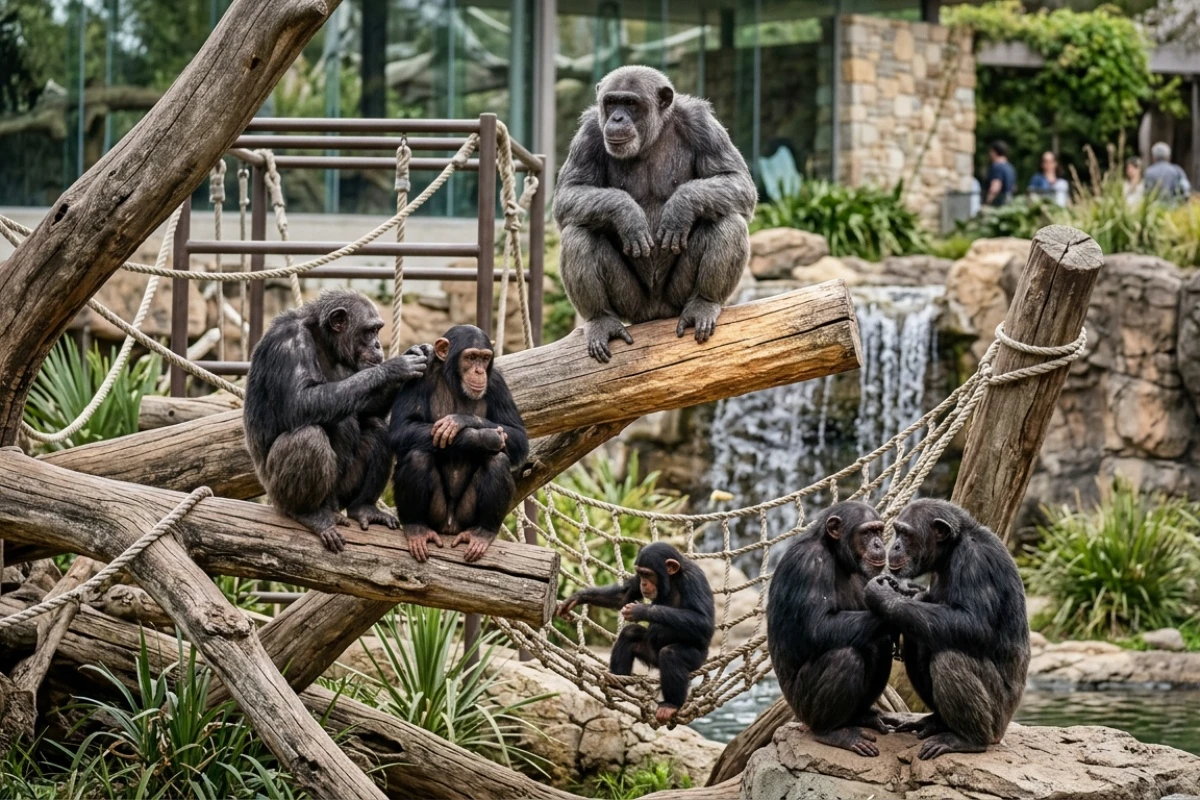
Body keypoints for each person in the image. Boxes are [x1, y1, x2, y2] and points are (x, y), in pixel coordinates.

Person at [985, 140, 1016, 207]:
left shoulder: (997, 166)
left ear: (994, 152)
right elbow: (1013, 187)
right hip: (1009, 202)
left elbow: (996, 185)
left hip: (998, 203)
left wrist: (987, 202)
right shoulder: (1010, 167)